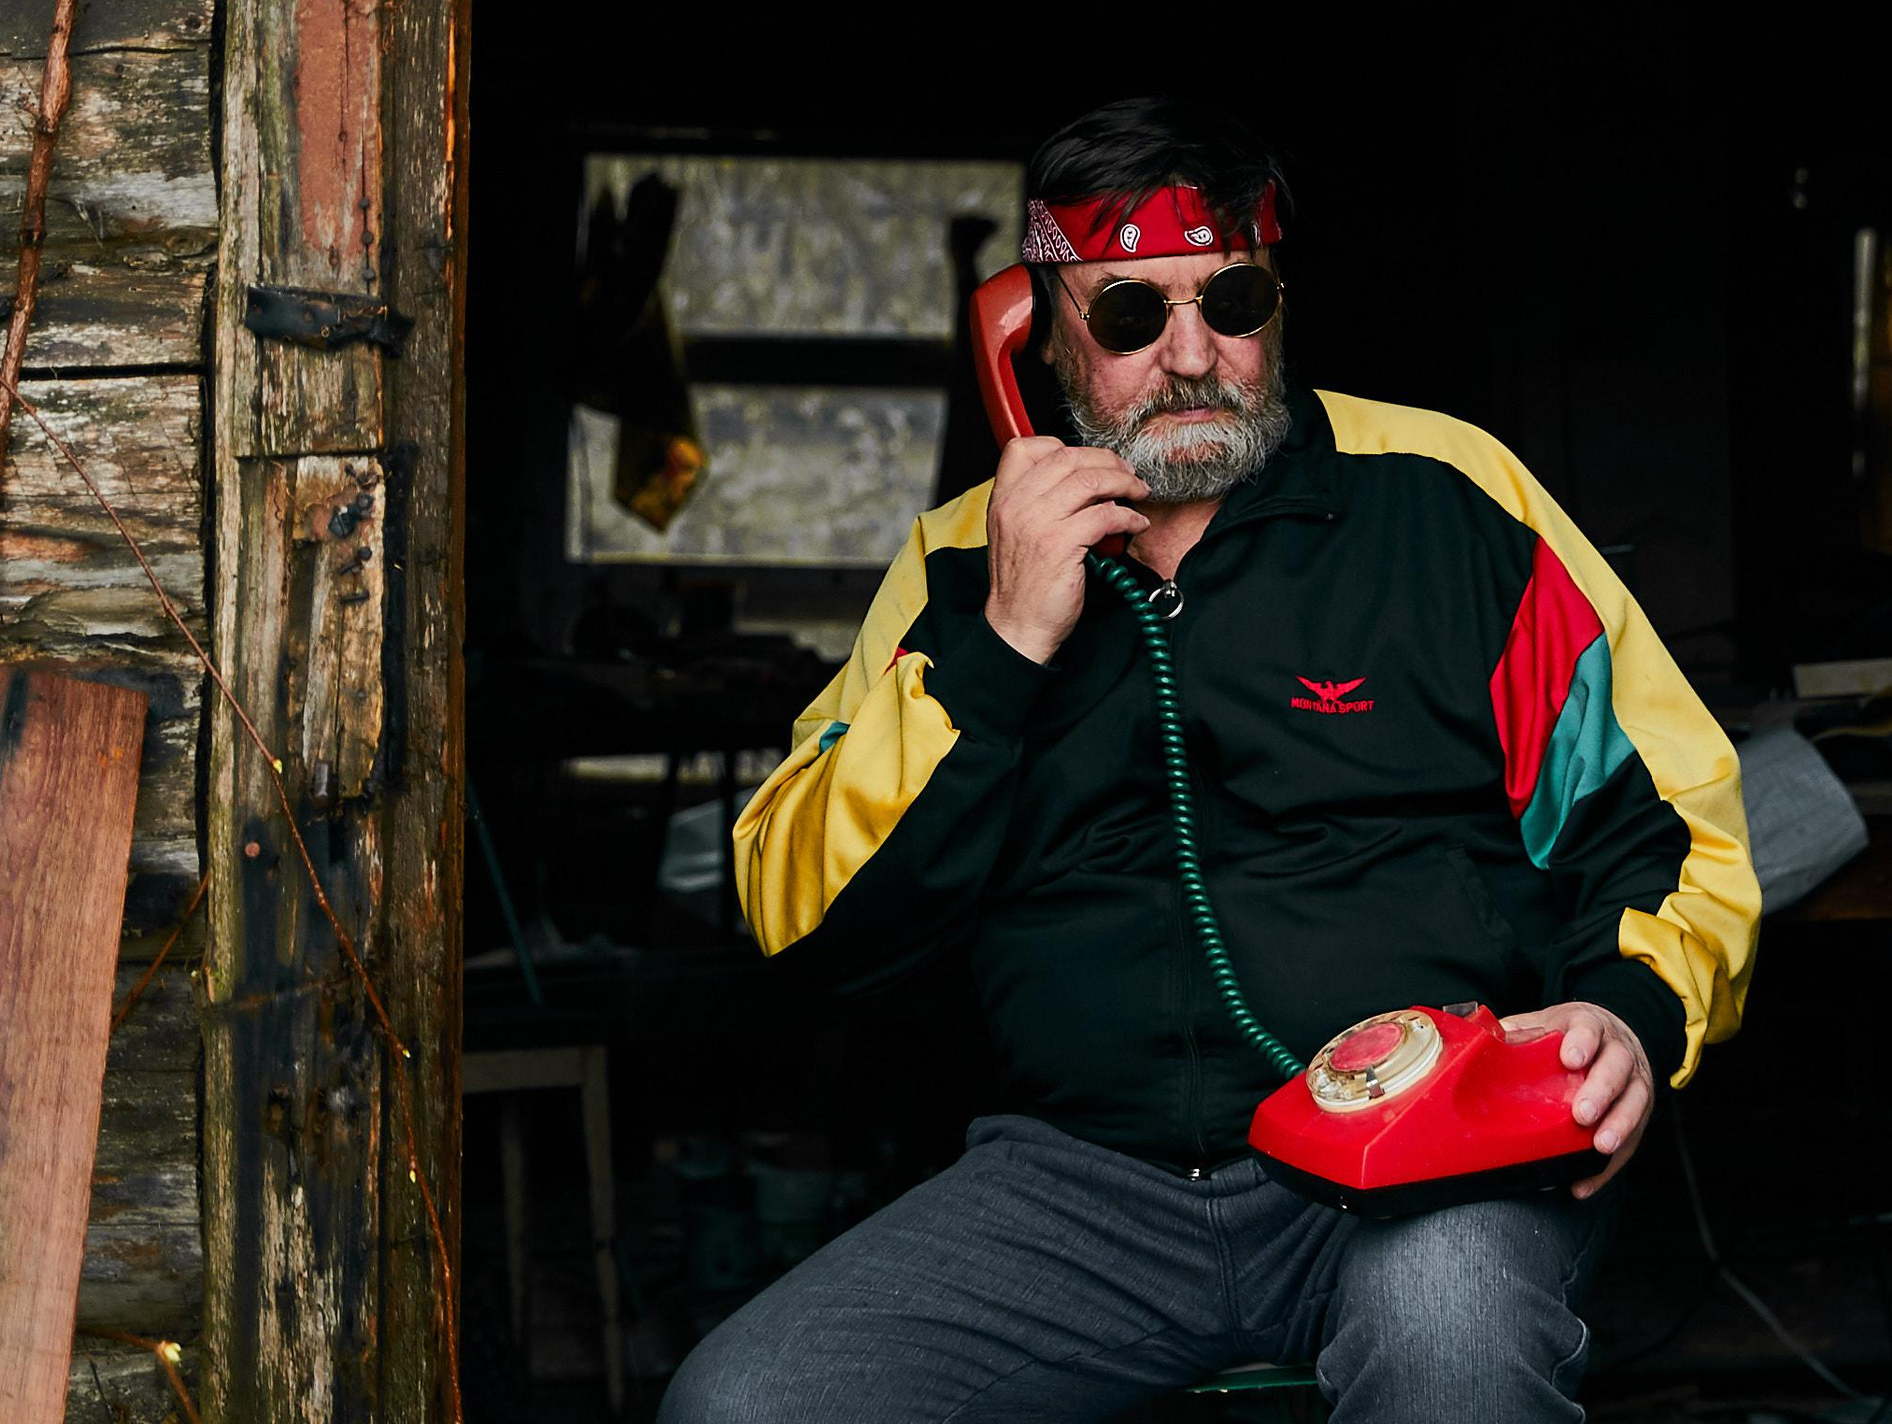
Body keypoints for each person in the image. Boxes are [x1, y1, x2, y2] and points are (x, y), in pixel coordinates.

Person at [661, 98, 1760, 1423]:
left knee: (1451, 1347)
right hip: (1080, 1187)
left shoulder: (1451, 494)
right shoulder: (961, 562)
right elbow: (800, 914)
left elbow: (1670, 821)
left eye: (1232, 302)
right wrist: (1002, 645)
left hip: (1423, 1156)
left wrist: (1632, 1010)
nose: (1193, 357)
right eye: (1132, 315)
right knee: (747, 1401)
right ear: (1037, 330)